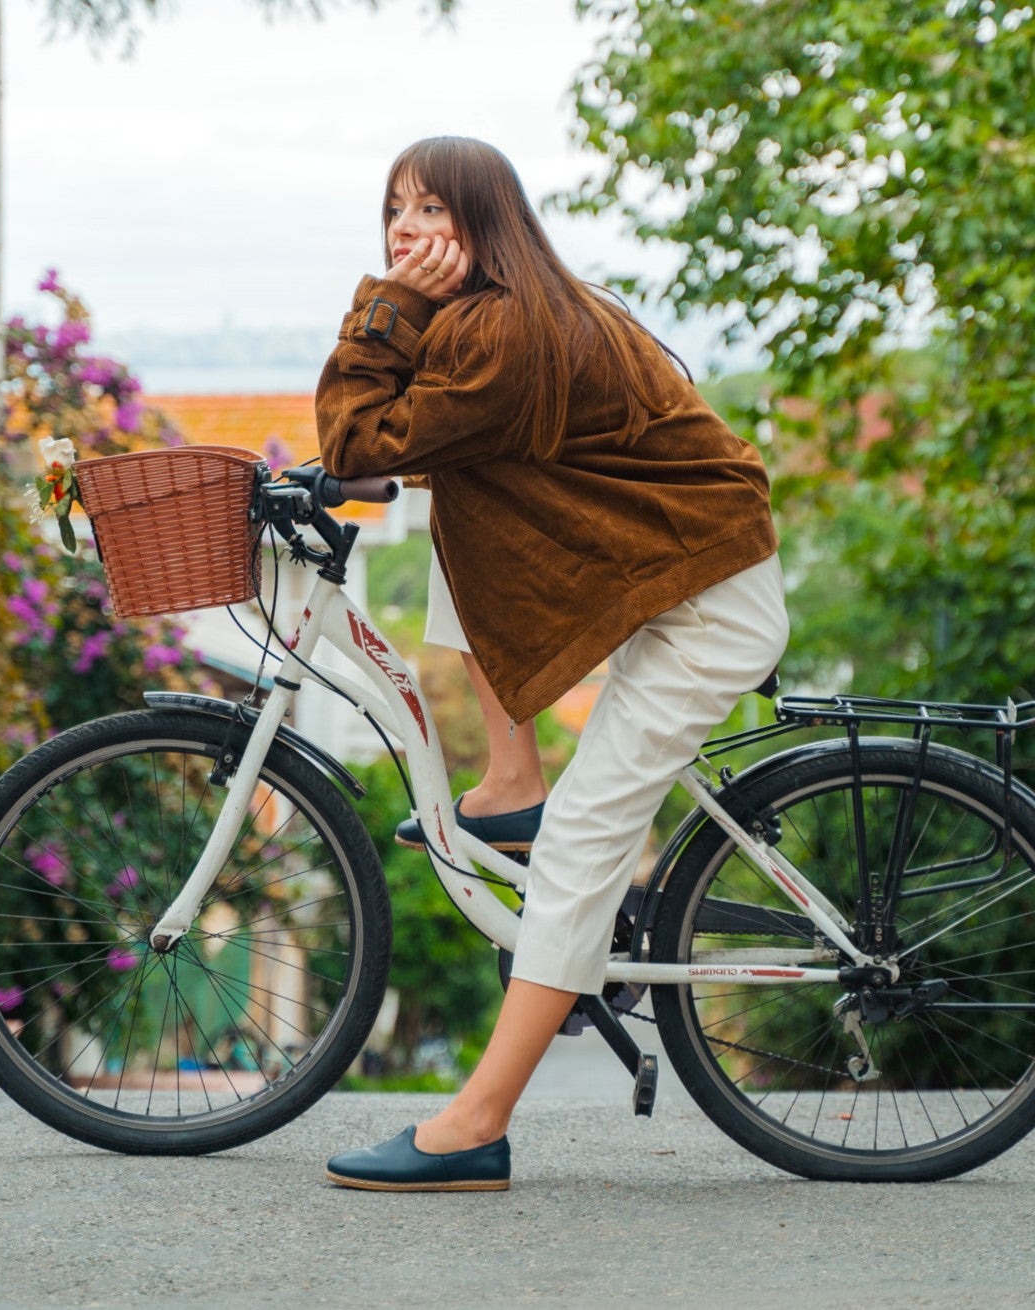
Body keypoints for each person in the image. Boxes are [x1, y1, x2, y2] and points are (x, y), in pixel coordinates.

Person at [315, 136, 788, 1191]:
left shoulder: (505, 330)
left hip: (703, 609)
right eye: (393, 208)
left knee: (581, 844)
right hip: (664, 576)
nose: (404, 229)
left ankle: (475, 1121)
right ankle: (511, 774)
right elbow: (408, 440)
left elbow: (355, 443)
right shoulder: (504, 314)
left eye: (430, 208)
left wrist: (380, 304)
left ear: (486, 223)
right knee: (460, 504)